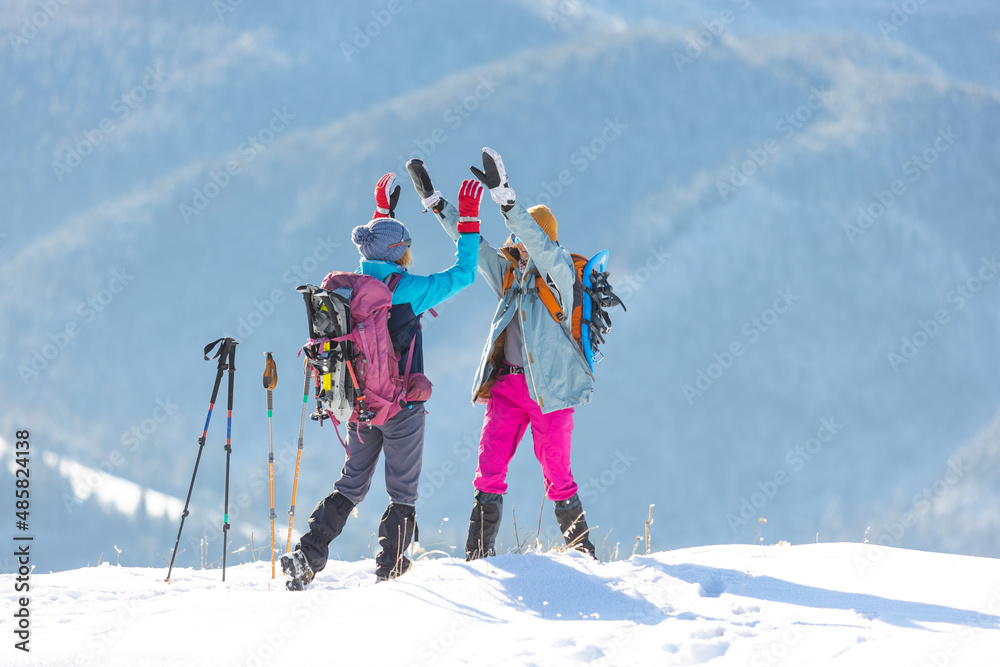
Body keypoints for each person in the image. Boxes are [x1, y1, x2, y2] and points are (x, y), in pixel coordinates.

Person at [282, 171, 482, 589]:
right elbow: (464, 274)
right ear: (400, 253)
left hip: (358, 403)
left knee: (351, 484)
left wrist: (380, 213)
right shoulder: (407, 289)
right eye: (405, 248)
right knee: (402, 493)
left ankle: (308, 554)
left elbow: (376, 250)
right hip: (402, 407)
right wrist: (468, 222)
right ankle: (390, 573)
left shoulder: (350, 289)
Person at [431, 147, 599, 561]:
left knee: (558, 475)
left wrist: (507, 201)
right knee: (488, 470)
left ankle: (584, 554)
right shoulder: (510, 276)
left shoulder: (560, 276)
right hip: (507, 386)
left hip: (551, 393)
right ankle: (476, 556)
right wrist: (437, 206)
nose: (520, 248)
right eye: (517, 243)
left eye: (526, 242)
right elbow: (476, 245)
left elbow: (541, 247)